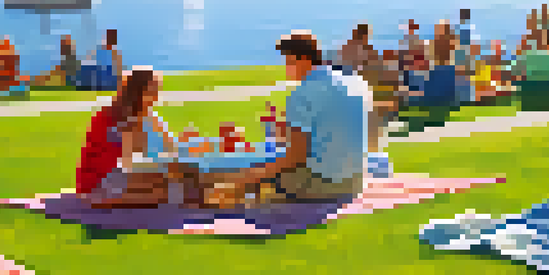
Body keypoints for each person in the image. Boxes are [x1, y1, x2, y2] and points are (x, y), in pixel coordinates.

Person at [200, 32, 372, 207]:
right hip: (356, 181)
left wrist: (239, 182)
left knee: (243, 178)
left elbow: (294, 157)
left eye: (288, 62)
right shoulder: (355, 82)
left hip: (326, 185)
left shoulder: (304, 92)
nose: (286, 68)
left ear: (302, 59)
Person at [85, 68, 189, 209]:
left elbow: (170, 146)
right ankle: (113, 200)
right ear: (138, 92)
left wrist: (184, 143)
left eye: (157, 91)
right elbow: (128, 163)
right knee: (168, 189)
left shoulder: (150, 116)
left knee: (174, 187)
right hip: (106, 177)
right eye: (152, 91)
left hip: (131, 174)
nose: (156, 97)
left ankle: (125, 198)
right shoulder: (117, 117)